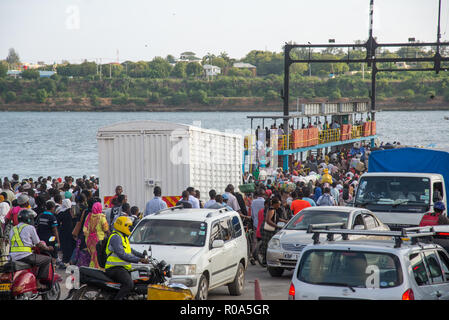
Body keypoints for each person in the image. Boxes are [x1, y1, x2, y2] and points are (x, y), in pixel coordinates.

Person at [105, 216, 148, 300]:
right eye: (128, 226)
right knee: (129, 284)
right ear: (122, 226)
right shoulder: (116, 237)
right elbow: (122, 254)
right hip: (114, 268)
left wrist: (142, 256)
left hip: (122, 268)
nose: (129, 228)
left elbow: (131, 250)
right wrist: (138, 260)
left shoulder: (123, 237)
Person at [9, 209, 54, 289]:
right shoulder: (30, 228)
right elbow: (39, 244)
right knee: (47, 259)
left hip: (12, 257)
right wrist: (48, 248)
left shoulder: (13, 229)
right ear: (29, 219)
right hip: (25, 256)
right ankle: (38, 282)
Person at [83, 202, 109, 269]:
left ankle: (92, 267)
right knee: (97, 256)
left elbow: (85, 229)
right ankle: (96, 269)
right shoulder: (101, 217)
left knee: (93, 255)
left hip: (89, 240)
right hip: (98, 240)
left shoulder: (88, 216)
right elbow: (106, 228)